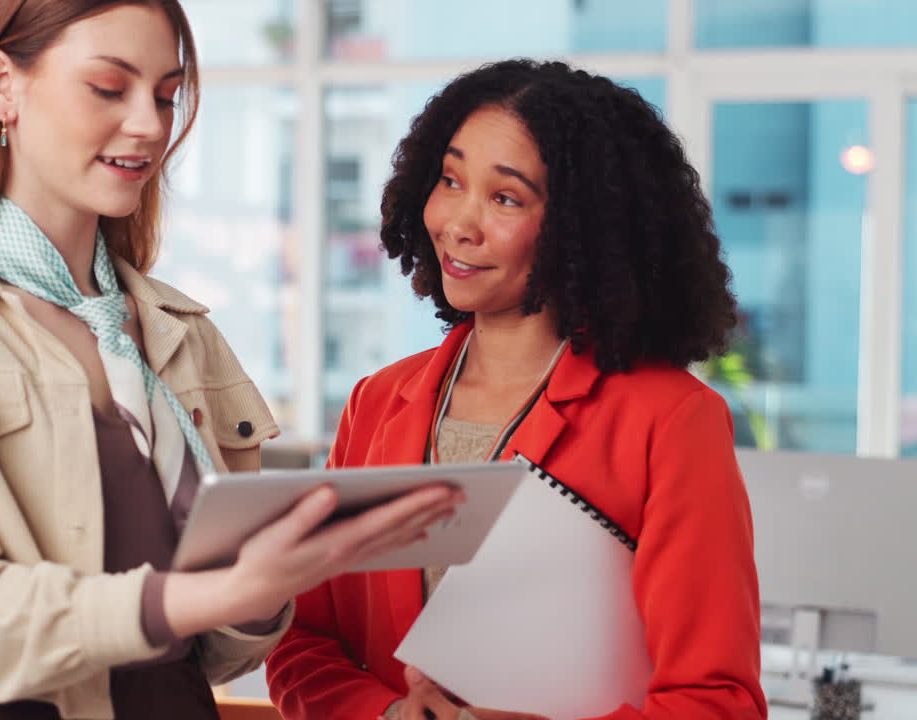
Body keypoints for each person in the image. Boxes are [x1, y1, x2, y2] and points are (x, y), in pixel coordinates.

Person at [0, 2, 460, 719]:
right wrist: (220, 591)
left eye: (166, 95)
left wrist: (269, 585)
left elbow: (218, 652)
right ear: (2, 86)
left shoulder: (180, 332)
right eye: (108, 88)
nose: (150, 125)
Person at [265, 59, 768, 720]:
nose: (459, 223)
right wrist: (385, 715)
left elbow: (717, 701)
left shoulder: (670, 418)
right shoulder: (377, 402)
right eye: (451, 181)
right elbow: (303, 641)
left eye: (505, 198)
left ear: (580, 228)